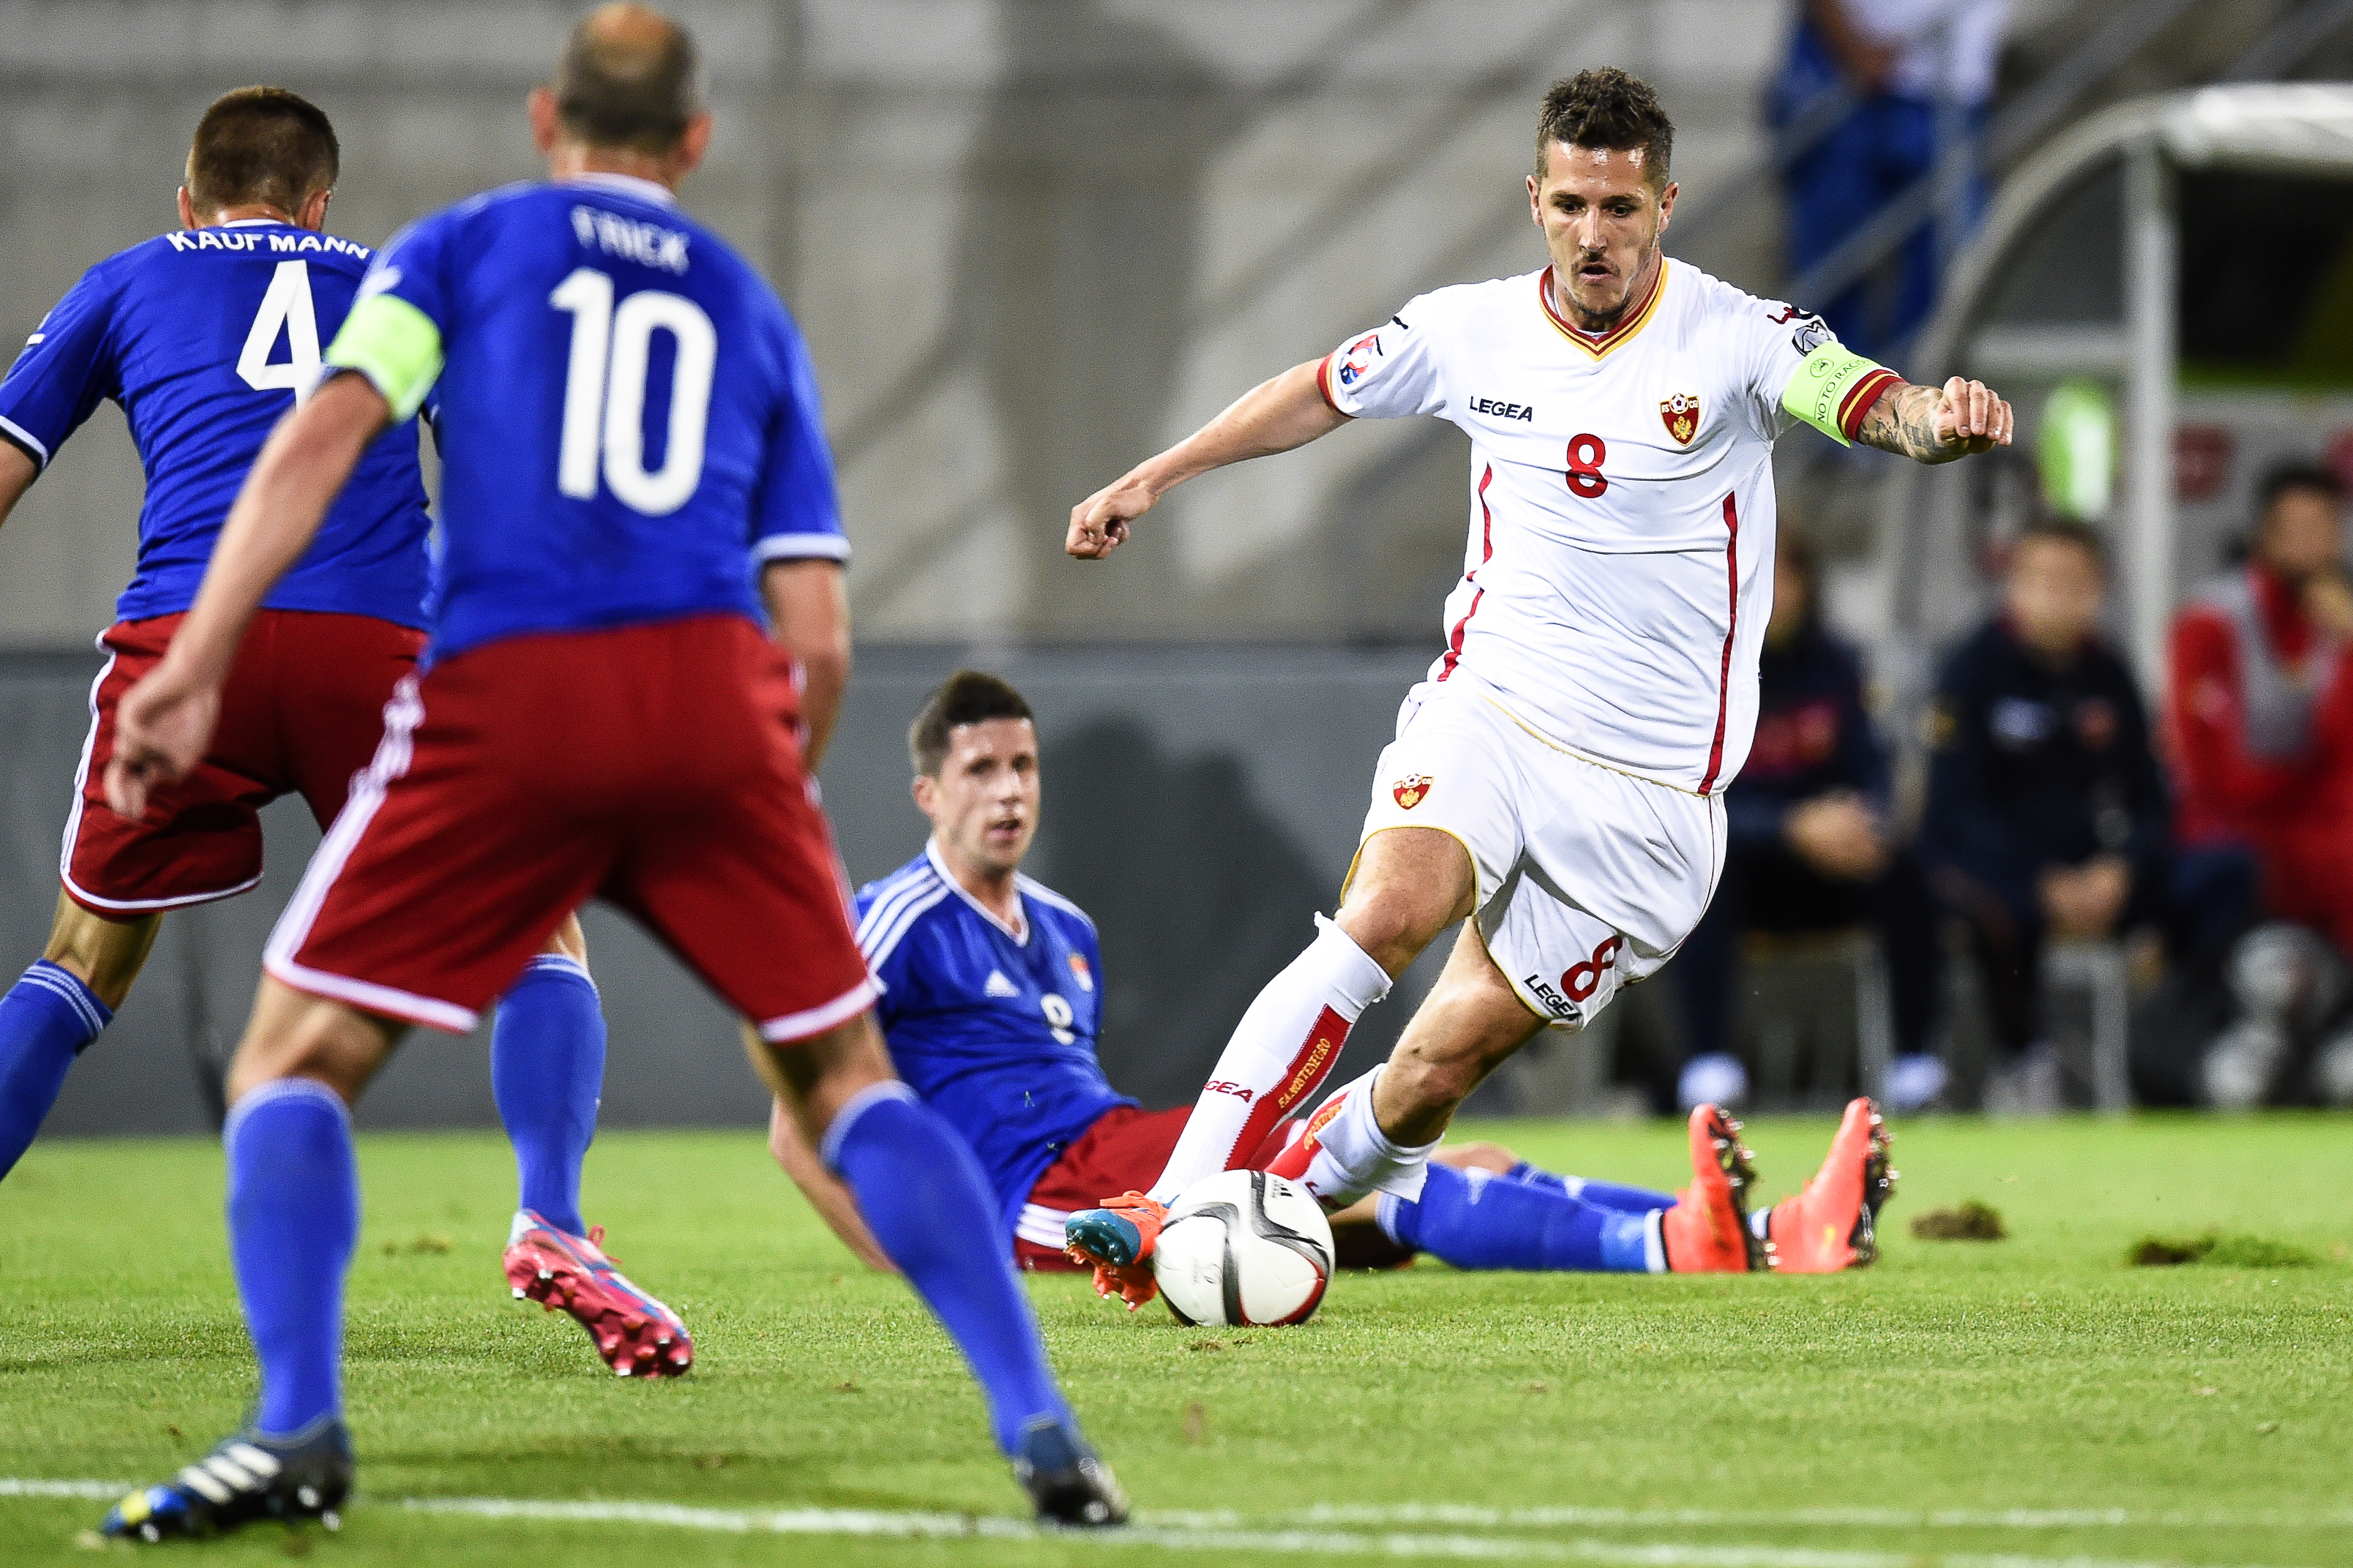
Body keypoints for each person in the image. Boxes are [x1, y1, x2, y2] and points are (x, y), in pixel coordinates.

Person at [94, 7, 1122, 1539]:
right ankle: (1042, 1431)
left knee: (289, 1064)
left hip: (510, 695)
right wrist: (761, 783)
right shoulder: (746, 307)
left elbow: (325, 437)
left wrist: (196, 655)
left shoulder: (452, 252)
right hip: (710, 698)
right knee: (845, 1083)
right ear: (692, 144)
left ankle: (298, 1428)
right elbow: (819, 634)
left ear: (542, 120)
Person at [1057, 67, 2010, 1308]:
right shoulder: (1471, 331)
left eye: (1621, 209)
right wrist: (1157, 475)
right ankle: (1183, 1200)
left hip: (1656, 795)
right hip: (1494, 708)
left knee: (1432, 1071)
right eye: (1571, 205)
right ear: (1535, 200)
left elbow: (1867, 401)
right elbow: (1316, 389)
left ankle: (1275, 1196)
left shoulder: (1739, 339)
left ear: (1666, 203)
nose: (1594, 234)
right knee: (1387, 910)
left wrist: (1938, 419)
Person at [0, 88, 687, 1377]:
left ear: (188, 196)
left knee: (83, 958)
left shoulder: (131, 273)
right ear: (321, 204)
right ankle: (550, 1214)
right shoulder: (395, 283)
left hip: (185, 643)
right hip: (377, 649)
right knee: (545, 926)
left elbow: (6, 459)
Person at [771, 672, 1896, 1283]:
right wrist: (897, 1258)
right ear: (930, 794)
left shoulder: (1064, 926)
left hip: (1125, 1146)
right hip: (1056, 1201)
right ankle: (1723, 1242)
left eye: (1022, 763)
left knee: (1455, 1168)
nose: (1008, 789)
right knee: (1401, 1171)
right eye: (980, 769)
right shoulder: (898, 918)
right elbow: (798, 1118)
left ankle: (1725, 1234)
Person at [1921, 519, 2242, 1106]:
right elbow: (1954, 807)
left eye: (2072, 580)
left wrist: (2119, 867)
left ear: (2097, 589)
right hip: (1995, 867)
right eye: (2041, 578)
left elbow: (2152, 798)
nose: (2055, 595)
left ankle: (2187, 1053)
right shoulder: (1970, 668)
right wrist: (2044, 879)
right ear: (2012, 585)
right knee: (2002, 910)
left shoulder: (2107, 671)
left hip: (2094, 869)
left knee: (2226, 874)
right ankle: (2023, 1060)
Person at [1669, 525, 1944, 1113]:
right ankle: (1706, 1059)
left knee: (1907, 872)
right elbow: (1688, 798)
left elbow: (1870, 765)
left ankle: (1915, 1060)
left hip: (1828, 867)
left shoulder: (1837, 667)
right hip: (1742, 869)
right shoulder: (1698, 673)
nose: (1769, 592)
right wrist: (1789, 827)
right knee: (1707, 868)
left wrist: (1860, 819)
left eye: (1781, 575)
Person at [2169, 462, 2353, 961]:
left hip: (2317, 820)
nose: (2313, 543)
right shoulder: (2211, 622)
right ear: (2264, 534)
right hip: (2232, 822)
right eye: (2298, 528)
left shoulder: (2338, 620)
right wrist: (2306, 783)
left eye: (2324, 527)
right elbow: (2208, 773)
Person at [1770, 0, 2009, 361]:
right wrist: (1853, 48)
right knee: (1831, 273)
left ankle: (1904, 395)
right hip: (1846, 75)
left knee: (1946, 283)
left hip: (1947, 85)